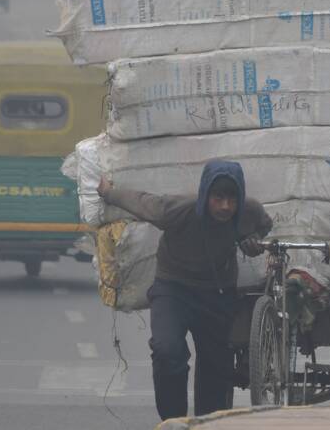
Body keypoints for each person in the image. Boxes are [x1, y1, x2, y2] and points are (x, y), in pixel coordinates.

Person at [97, 160, 273, 421]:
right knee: (167, 351)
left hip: (218, 293)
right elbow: (142, 202)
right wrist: (108, 191)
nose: (225, 206)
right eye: (218, 198)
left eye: (232, 199)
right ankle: (173, 421)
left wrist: (251, 241)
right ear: (205, 196)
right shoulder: (178, 210)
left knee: (215, 366)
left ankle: (206, 424)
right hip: (173, 290)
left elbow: (263, 226)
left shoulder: (249, 210)